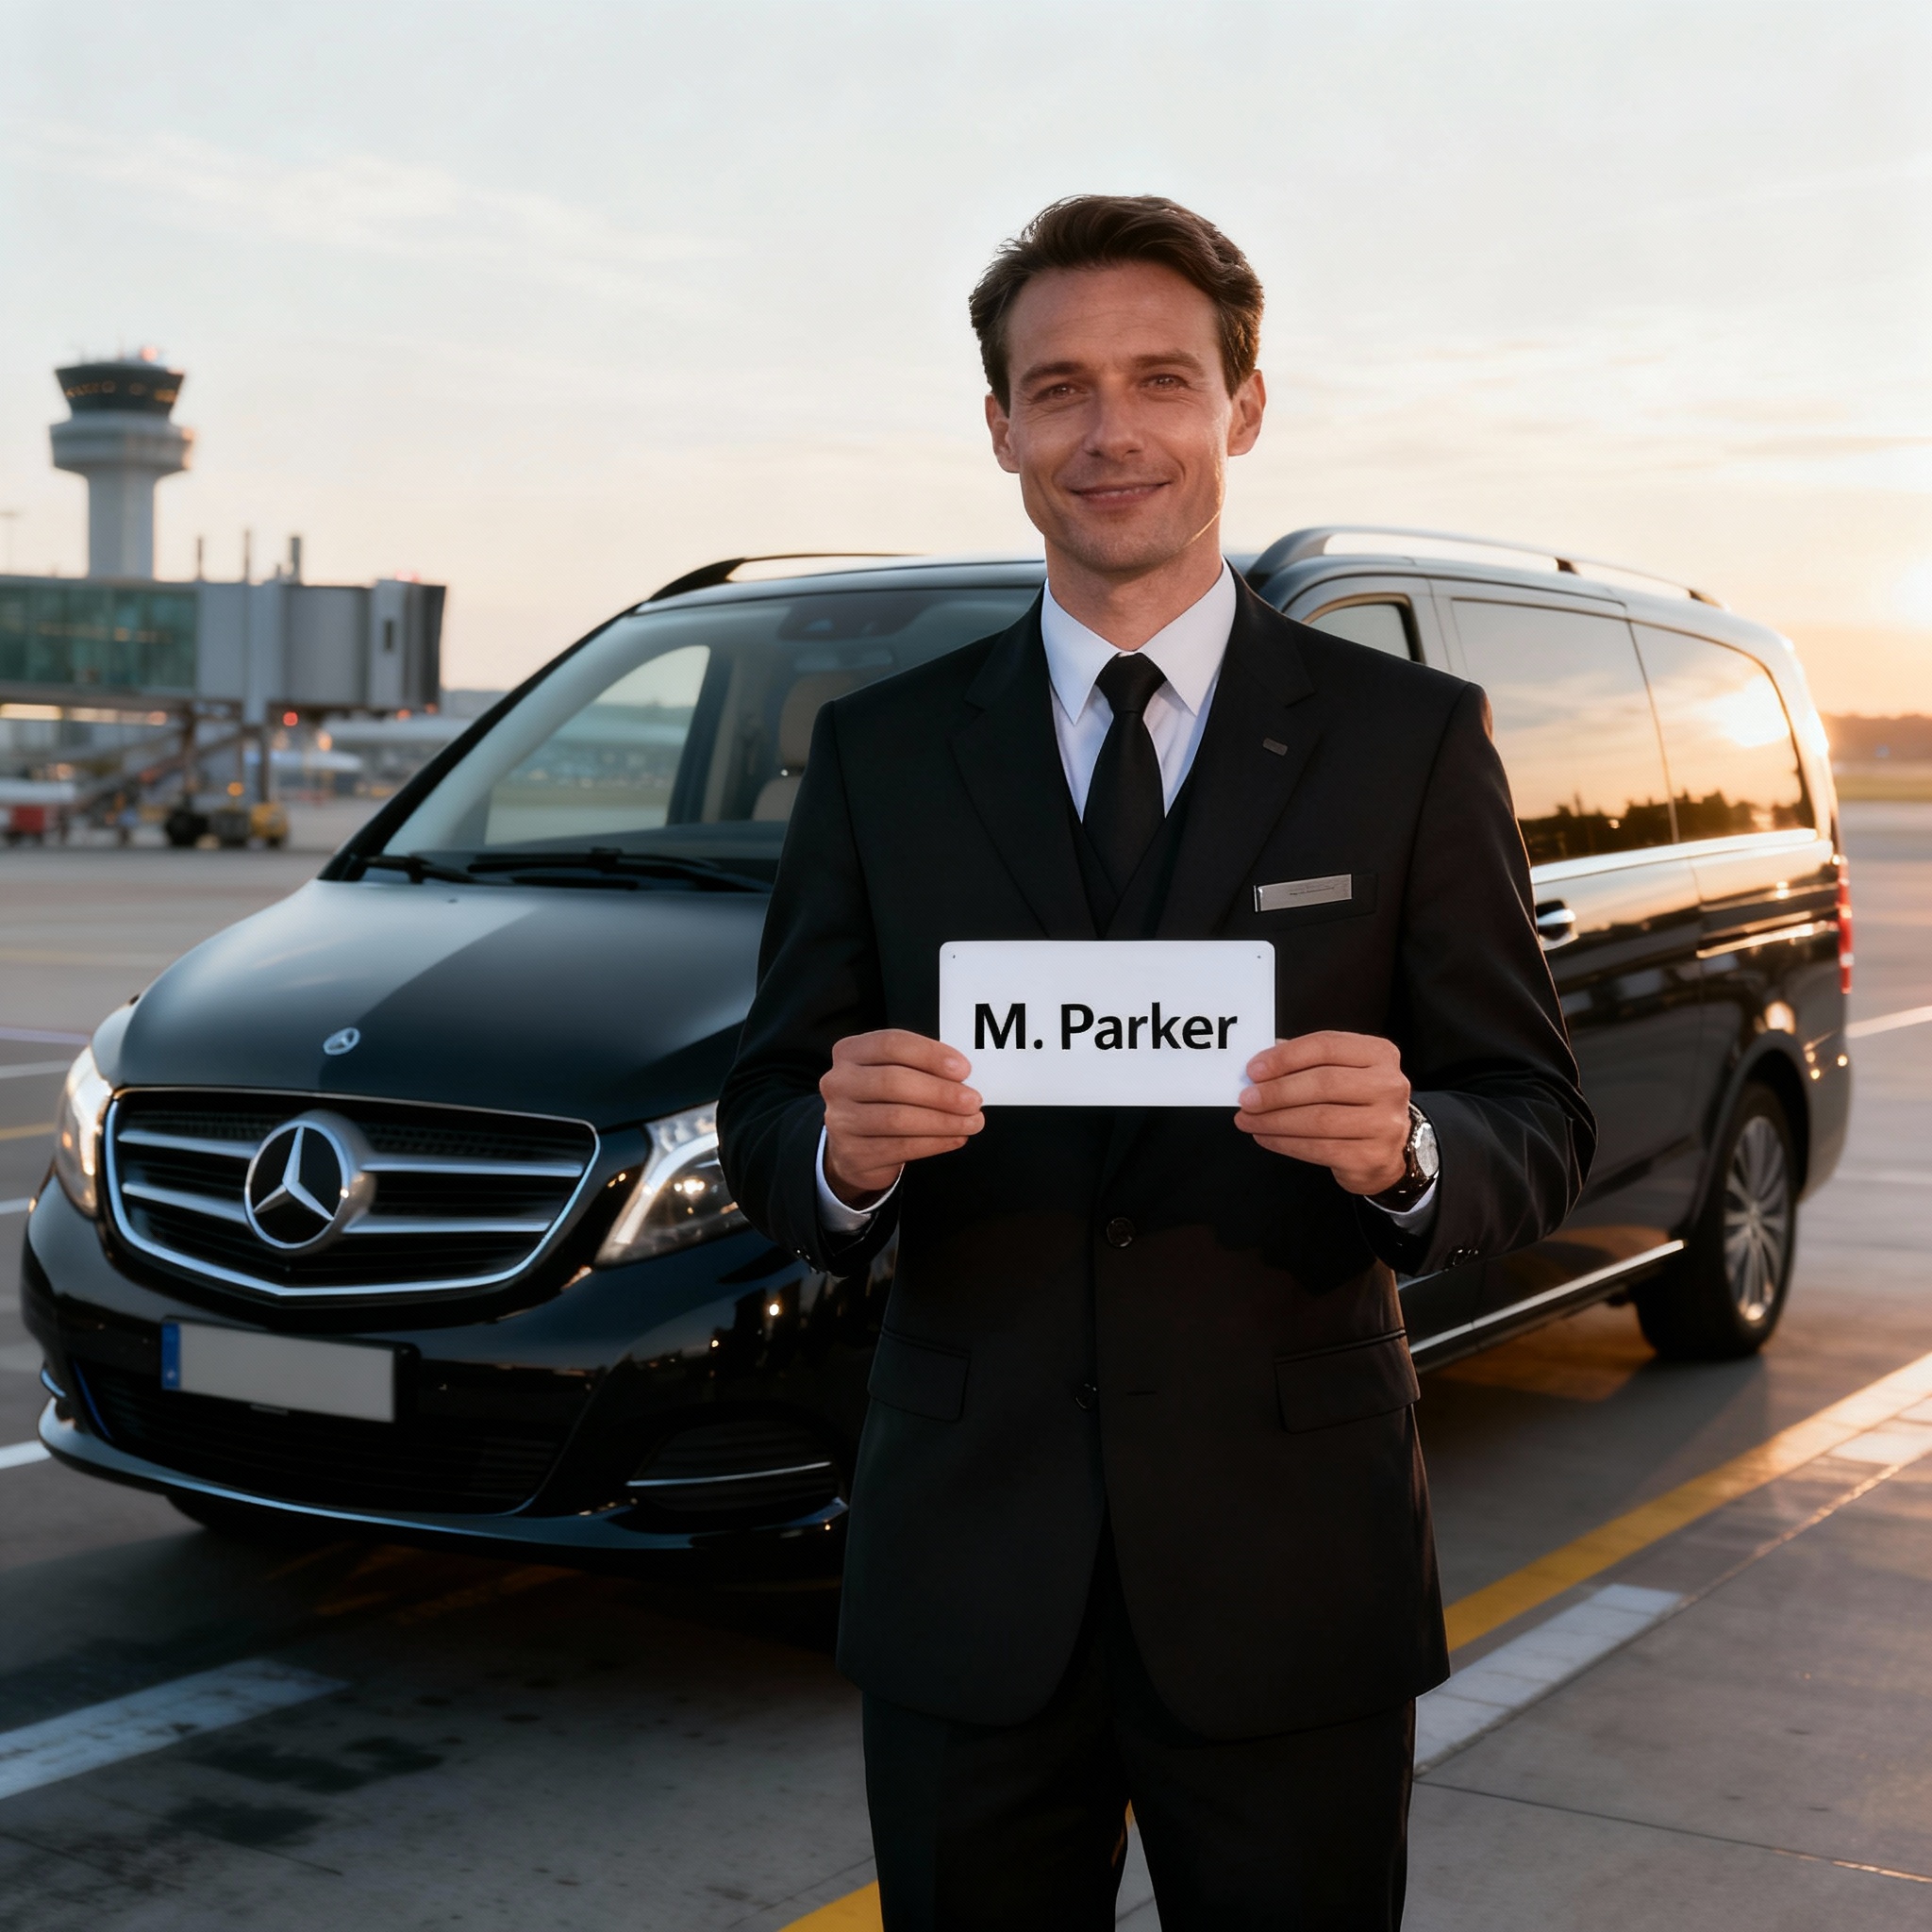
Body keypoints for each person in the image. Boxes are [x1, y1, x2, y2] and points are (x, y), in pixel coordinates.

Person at [719, 194, 1592, 1931]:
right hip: (971, 1568)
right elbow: (768, 1108)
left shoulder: (1407, 742)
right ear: (1000, 431)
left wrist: (1412, 1145)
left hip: (1289, 1566)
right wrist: (840, 1158)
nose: (1111, 432)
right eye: (1058, 389)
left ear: (1242, 409)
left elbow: (1536, 1119)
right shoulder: (881, 755)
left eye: (1160, 381)